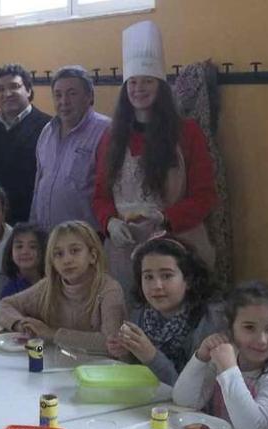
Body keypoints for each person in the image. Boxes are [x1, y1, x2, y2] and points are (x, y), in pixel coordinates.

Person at [93, 20, 217, 302]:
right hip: (123, 251)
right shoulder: (111, 137)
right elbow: (100, 195)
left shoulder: (187, 133)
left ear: (161, 86)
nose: (139, 88)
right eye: (133, 82)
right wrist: (109, 222)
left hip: (175, 248)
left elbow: (205, 196)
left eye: (147, 81)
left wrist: (165, 219)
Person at [172, 281, 268, 429]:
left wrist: (229, 370)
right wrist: (201, 358)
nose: (261, 340)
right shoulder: (225, 357)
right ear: (231, 327)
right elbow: (184, 402)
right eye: (249, 328)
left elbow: (250, 428)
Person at [0, 220, 126, 355]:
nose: (67, 260)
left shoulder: (109, 290)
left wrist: (52, 334)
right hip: (58, 364)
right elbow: (3, 306)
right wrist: (20, 324)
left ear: (92, 256)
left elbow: (111, 342)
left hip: (101, 369)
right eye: (59, 254)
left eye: (75, 251)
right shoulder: (49, 286)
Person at [106, 236, 222, 385]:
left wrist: (151, 356)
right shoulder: (141, 312)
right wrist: (125, 352)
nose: (156, 286)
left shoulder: (210, 320)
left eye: (166, 276)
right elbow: (137, 374)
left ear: (188, 280)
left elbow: (193, 392)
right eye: (148, 277)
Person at [0, 63, 51, 224]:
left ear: (28, 90)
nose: (7, 93)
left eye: (14, 86)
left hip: (30, 223)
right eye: (0, 89)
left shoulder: (48, 127)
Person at [30, 66, 110, 232]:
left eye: (72, 93)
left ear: (89, 96)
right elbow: (39, 185)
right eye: (58, 95)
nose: (64, 101)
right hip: (46, 238)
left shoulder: (106, 131)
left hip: (85, 242)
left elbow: (110, 192)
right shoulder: (47, 131)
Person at [0, 223, 47, 298]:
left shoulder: (54, 283)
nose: (25, 252)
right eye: (19, 246)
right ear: (10, 252)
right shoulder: (9, 292)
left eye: (33, 247)